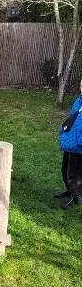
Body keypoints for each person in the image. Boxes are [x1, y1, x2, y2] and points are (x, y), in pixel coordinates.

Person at [57, 80, 82, 209]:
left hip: (80, 146)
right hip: (71, 142)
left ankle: (75, 197)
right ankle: (69, 190)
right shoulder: (78, 101)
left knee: (75, 173)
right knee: (65, 168)